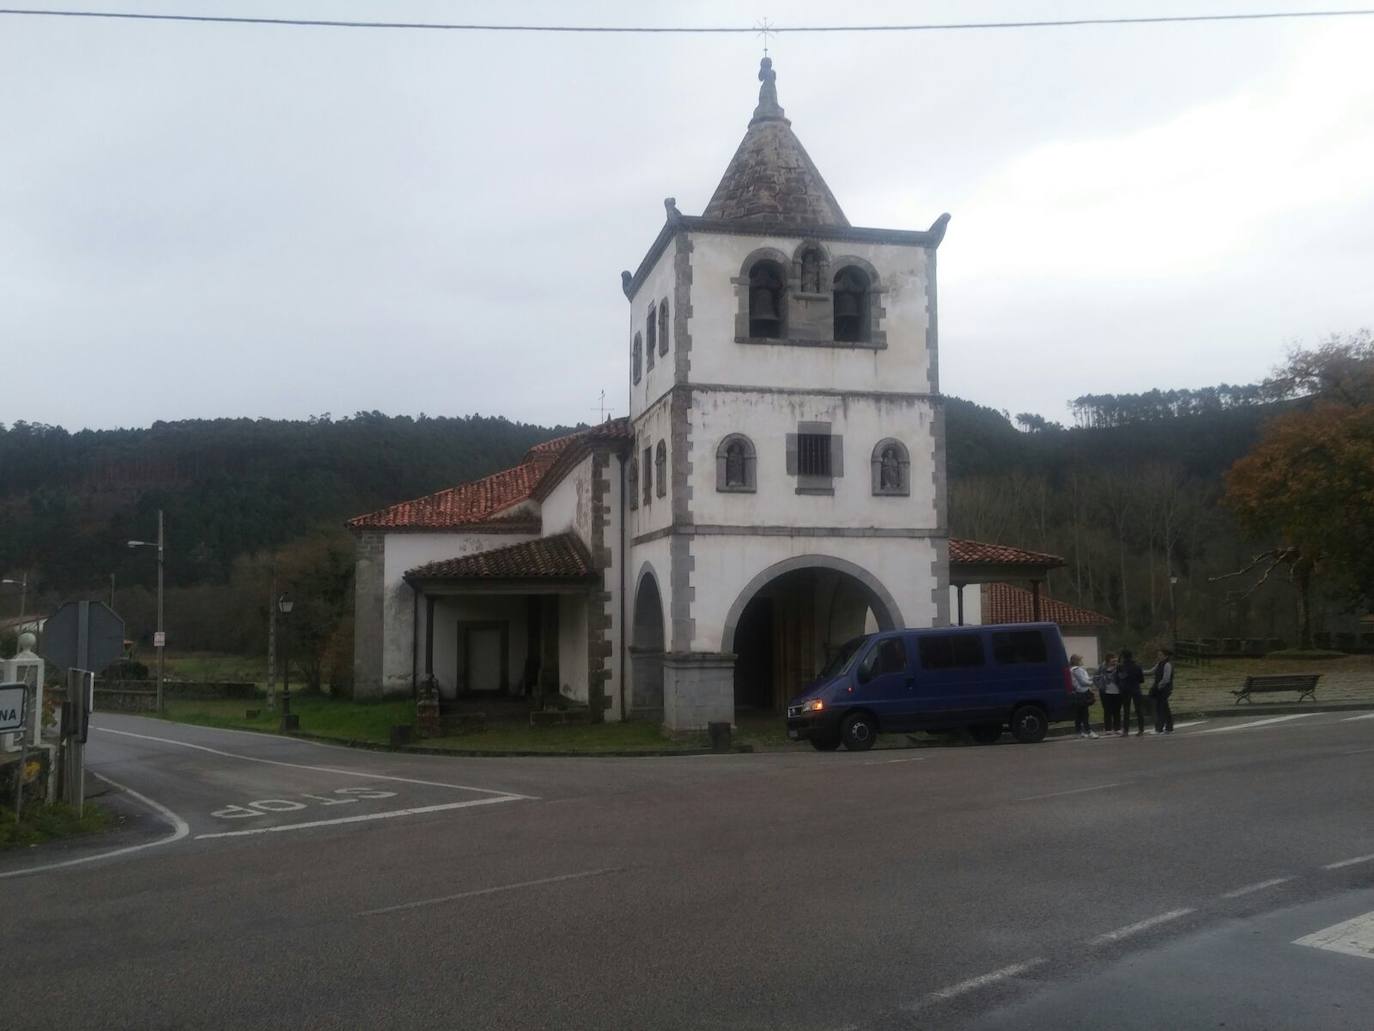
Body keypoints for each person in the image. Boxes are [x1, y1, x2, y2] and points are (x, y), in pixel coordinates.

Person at [1116, 649, 1146, 737]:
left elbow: (1118, 678)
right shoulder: (1137, 666)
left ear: (1123, 657)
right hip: (1136, 689)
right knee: (1139, 709)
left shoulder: (1120, 667)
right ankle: (1141, 729)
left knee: (1126, 711)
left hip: (1125, 689)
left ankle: (1126, 731)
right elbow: (1142, 680)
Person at [1069, 654, 1098, 738]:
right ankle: (1089, 731)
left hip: (1077, 692)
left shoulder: (1071, 669)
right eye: (1080, 660)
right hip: (1082, 693)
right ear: (1076, 661)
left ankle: (1079, 731)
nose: (1082, 661)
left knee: (1078, 714)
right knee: (1085, 713)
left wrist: (1090, 679)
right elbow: (1083, 681)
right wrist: (1092, 682)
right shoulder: (1077, 669)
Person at [1149, 648, 1175, 734]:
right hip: (1159, 689)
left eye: (1160, 655)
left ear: (1166, 656)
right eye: (1158, 655)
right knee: (1165, 708)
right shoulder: (1159, 664)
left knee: (1161, 708)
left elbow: (1166, 679)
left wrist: (1159, 686)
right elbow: (1151, 671)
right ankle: (1169, 727)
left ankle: (1160, 728)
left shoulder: (1167, 665)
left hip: (1165, 689)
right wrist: (1138, 671)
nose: (1158, 656)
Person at [1097, 653, 1121, 735]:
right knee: (1107, 710)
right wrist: (1099, 685)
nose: (1114, 661)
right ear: (1108, 660)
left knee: (1117, 710)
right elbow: (1096, 677)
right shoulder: (1102, 667)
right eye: (1113, 659)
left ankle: (1117, 728)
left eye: (1116, 660)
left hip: (1117, 691)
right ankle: (1108, 728)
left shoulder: (1118, 667)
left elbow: (1123, 676)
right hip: (1105, 691)